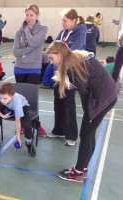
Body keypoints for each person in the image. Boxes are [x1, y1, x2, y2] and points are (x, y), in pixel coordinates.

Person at [46, 41, 118, 183]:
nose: (50, 62)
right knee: (88, 133)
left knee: (85, 134)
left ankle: (78, 173)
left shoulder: (74, 68)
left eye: (51, 58)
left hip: (103, 99)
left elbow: (85, 95)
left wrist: (89, 113)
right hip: (107, 95)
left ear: (60, 54)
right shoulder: (74, 58)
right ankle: (82, 168)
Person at [47, 8, 87, 146]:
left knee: (69, 105)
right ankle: (58, 130)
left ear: (74, 21)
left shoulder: (81, 32)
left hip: (70, 74)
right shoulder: (63, 32)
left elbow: (72, 52)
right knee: (58, 102)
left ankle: (71, 135)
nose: (62, 22)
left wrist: (61, 50)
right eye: (62, 20)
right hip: (57, 72)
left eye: (65, 20)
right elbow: (54, 47)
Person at [0, 82, 36, 157]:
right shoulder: (1, 95)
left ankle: (28, 142)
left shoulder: (17, 102)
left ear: (12, 96)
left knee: (26, 124)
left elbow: (17, 121)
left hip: (23, 106)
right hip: (7, 106)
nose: (2, 100)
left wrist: (18, 137)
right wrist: (2, 115)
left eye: (4, 98)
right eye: (0, 98)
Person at [13, 4, 47, 84]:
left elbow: (34, 42)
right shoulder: (19, 31)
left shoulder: (42, 29)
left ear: (37, 15)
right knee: (20, 95)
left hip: (34, 67)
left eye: (31, 15)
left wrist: (27, 30)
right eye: (27, 15)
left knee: (31, 95)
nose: (28, 18)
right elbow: (16, 52)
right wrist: (33, 47)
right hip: (19, 67)